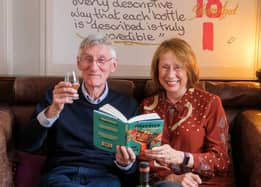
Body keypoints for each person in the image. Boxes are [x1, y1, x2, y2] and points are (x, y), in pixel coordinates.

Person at [17, 33, 138, 187]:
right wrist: (52, 111)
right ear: (79, 63)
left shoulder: (128, 105)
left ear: (113, 65)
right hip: (61, 174)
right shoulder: (57, 97)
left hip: (105, 177)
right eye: (87, 59)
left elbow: (133, 170)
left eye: (101, 60)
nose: (94, 67)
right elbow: (27, 145)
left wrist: (125, 164)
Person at [140, 38, 235, 187]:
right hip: (164, 183)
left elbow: (221, 160)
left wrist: (182, 157)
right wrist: (170, 178)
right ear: (157, 69)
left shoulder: (210, 103)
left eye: (177, 67)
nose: (170, 75)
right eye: (164, 67)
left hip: (203, 183)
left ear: (188, 70)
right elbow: (144, 157)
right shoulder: (148, 106)